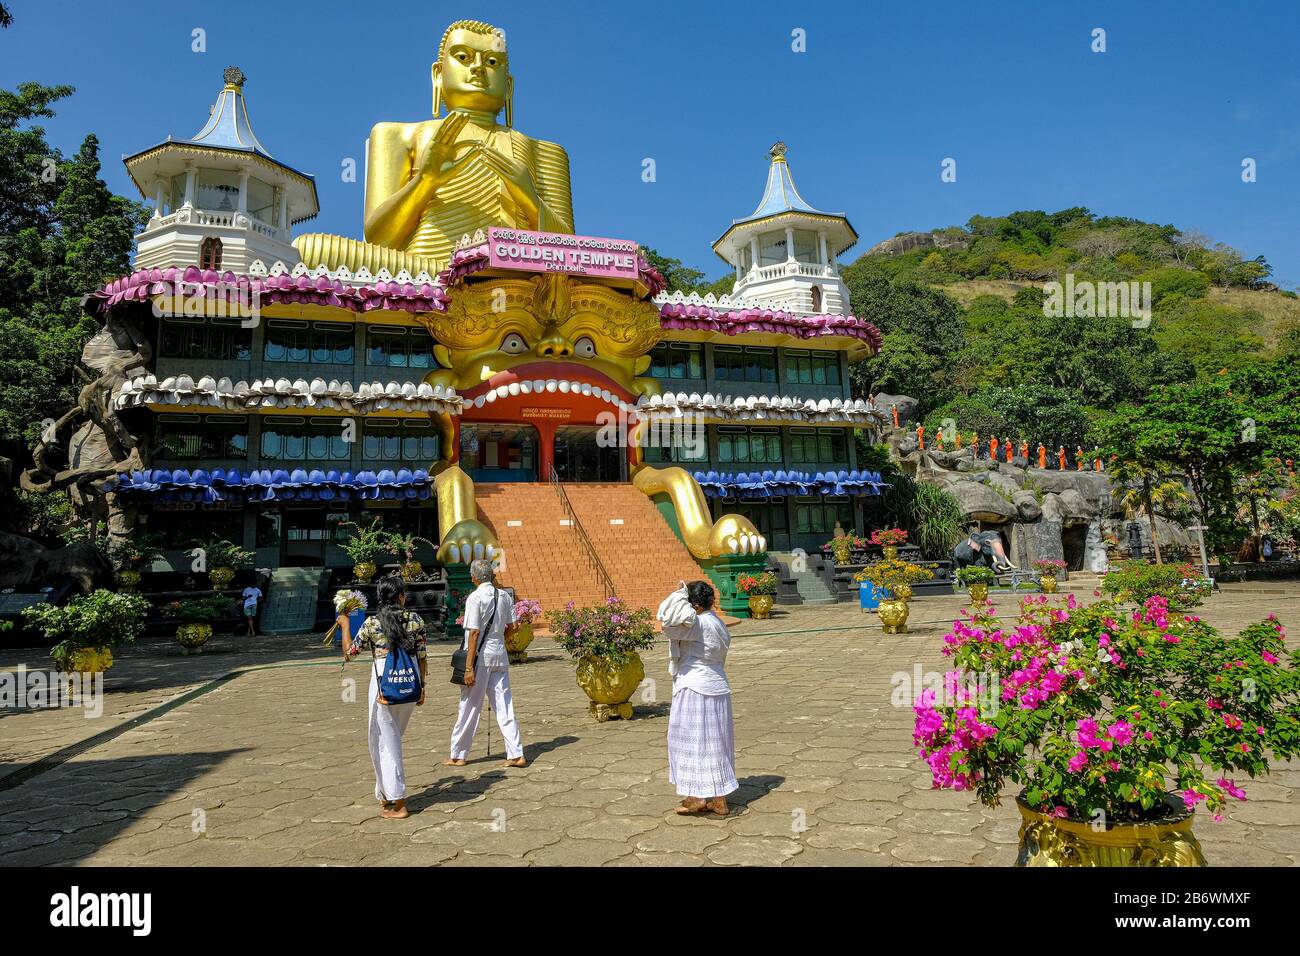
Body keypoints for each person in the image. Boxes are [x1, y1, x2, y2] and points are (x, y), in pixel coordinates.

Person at [348, 574, 428, 819]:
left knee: (387, 742)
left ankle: (399, 801)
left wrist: (344, 625)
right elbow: (423, 656)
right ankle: (384, 793)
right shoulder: (414, 619)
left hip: (384, 684)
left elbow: (350, 653)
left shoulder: (372, 623)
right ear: (401, 596)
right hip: (409, 682)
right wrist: (422, 686)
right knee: (389, 739)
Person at [659, 580, 737, 816]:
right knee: (716, 742)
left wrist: (681, 595)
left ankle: (695, 798)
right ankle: (719, 799)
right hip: (718, 687)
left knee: (691, 741)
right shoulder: (718, 623)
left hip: (694, 689)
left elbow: (665, 621)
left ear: (694, 605)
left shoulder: (696, 624)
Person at [444, 559, 525, 768]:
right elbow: (514, 626)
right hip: (499, 654)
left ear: (474, 577)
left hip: (480, 658)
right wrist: (500, 639)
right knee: (504, 705)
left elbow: (473, 633)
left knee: (470, 705)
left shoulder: (475, 597)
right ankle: (516, 753)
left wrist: (469, 667)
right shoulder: (504, 595)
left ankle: (459, 754)